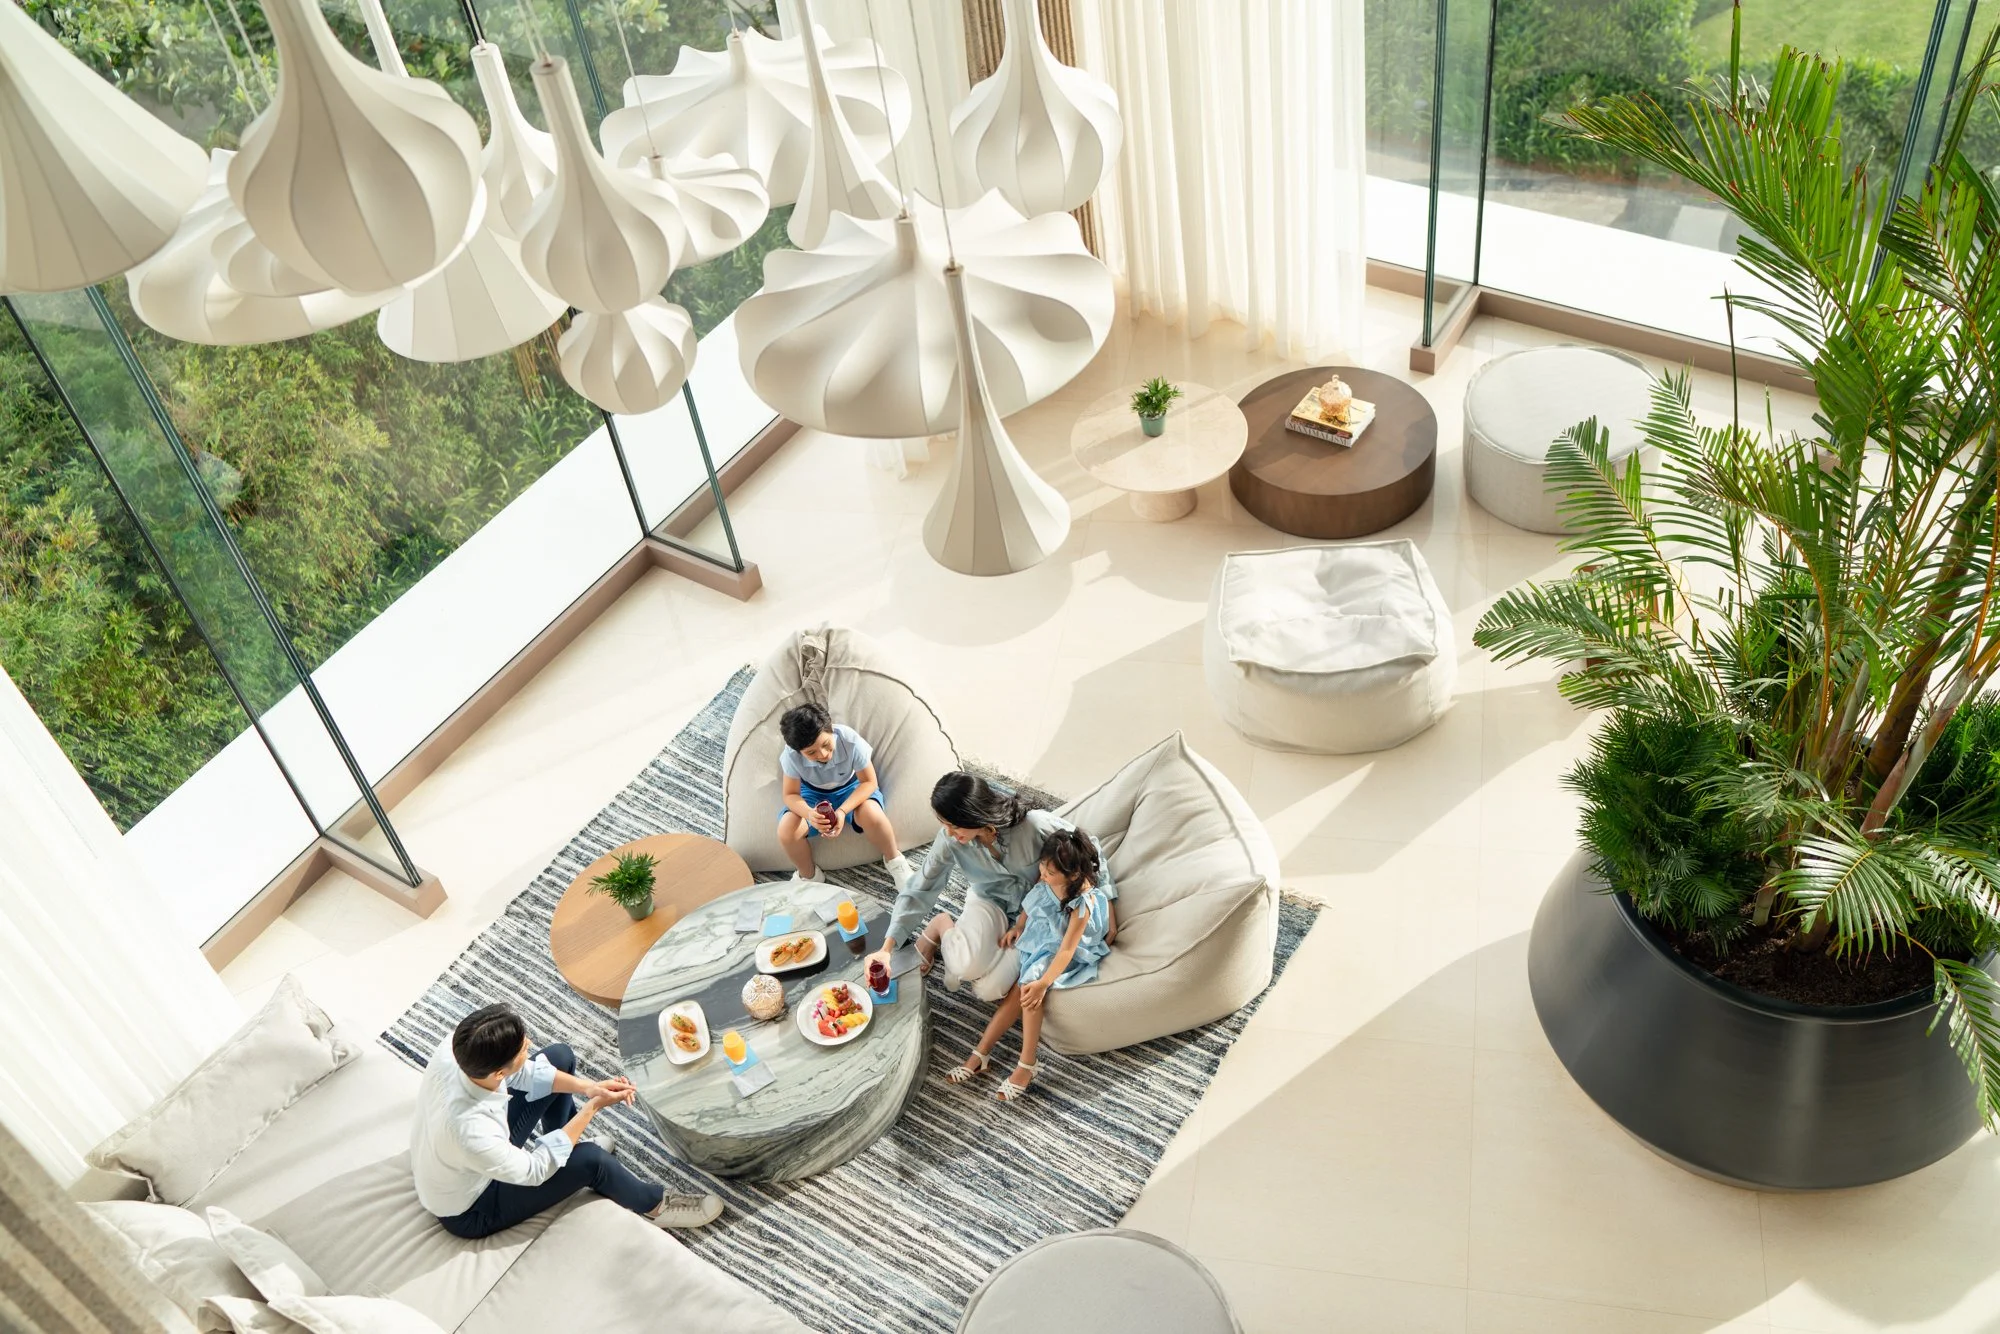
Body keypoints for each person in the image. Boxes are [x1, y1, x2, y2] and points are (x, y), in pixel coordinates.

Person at [411, 1003, 722, 1239]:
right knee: (593, 1161)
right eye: (523, 1048)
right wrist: (592, 1108)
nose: (530, 1043)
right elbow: (534, 1171)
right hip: (473, 1206)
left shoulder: (459, 1049)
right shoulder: (470, 1131)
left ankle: (568, 1149)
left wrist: (589, 1088)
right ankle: (656, 1206)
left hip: (466, 1159)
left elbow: (523, 1074)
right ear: (498, 1073)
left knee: (560, 1057)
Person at [869, 772, 1115, 990]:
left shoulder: (1032, 825)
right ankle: (940, 925)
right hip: (990, 900)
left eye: (954, 825)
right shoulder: (949, 840)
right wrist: (886, 949)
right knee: (965, 969)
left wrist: (1108, 905)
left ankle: (977, 947)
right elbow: (920, 887)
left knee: (990, 990)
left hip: (1033, 912)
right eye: (944, 824)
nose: (949, 832)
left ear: (973, 815)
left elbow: (1088, 848)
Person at [946, 827, 1114, 1101]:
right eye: (1042, 867)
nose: (1043, 874)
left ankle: (1026, 1064)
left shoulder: (1082, 902)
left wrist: (1044, 983)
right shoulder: (1049, 874)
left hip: (1068, 947)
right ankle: (980, 1054)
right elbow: (1034, 899)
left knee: (1027, 987)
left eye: (1050, 872)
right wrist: (1019, 926)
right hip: (1045, 934)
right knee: (1016, 993)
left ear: (1073, 875)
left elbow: (1068, 949)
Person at [776, 701, 913, 886]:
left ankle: (895, 860)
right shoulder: (791, 756)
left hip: (852, 788)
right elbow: (790, 795)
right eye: (811, 752)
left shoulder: (850, 741)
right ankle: (809, 875)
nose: (823, 754)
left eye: (826, 744)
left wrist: (841, 811)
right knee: (786, 830)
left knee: (872, 813)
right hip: (812, 795)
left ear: (831, 729)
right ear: (799, 751)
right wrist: (809, 814)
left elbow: (869, 782)